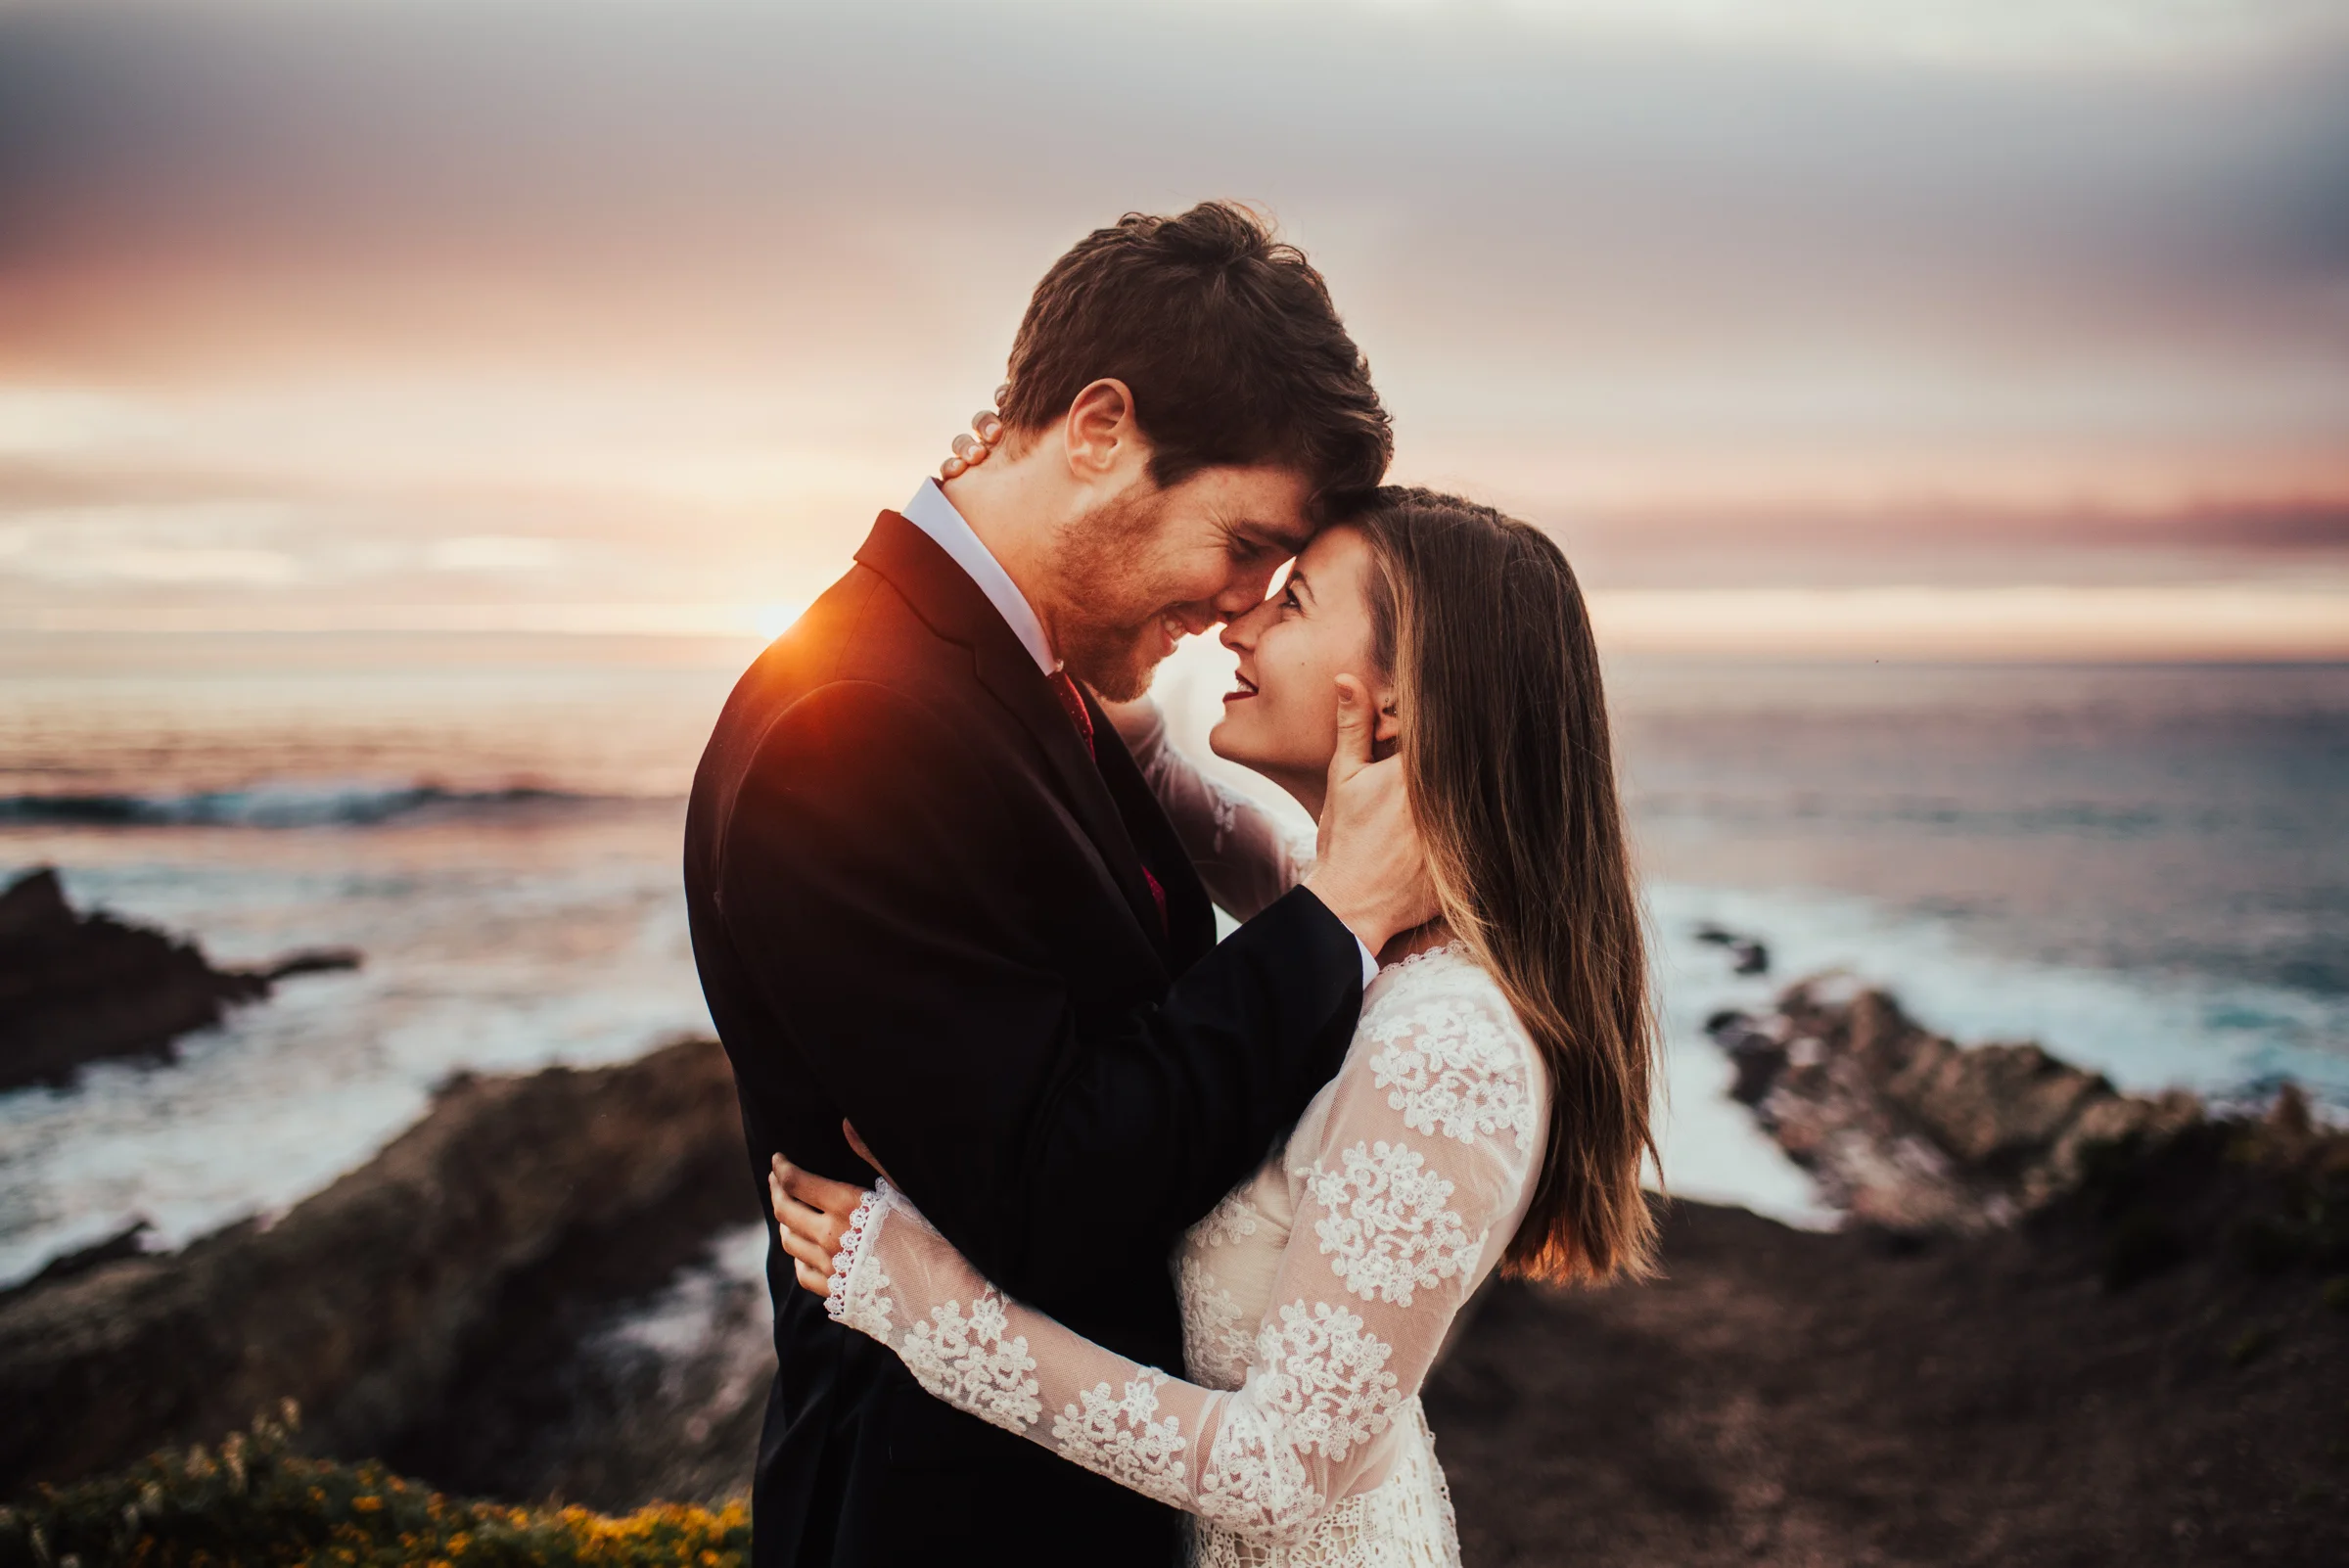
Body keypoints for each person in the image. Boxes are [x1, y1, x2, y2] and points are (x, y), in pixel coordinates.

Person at [682, 203, 1437, 1568]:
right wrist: (1336, 922)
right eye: (1248, 540)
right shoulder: (849, 724)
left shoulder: (1015, 674)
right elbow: (1046, 1196)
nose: (1247, 602)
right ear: (1099, 430)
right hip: (946, 1522)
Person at [769, 487, 1662, 1566]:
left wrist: (919, 1297)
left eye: (1291, 604)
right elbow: (1147, 777)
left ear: (1394, 698)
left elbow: (1279, 1469)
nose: (1238, 622)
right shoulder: (1368, 923)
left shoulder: (1446, 1051)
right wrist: (1087, 590)